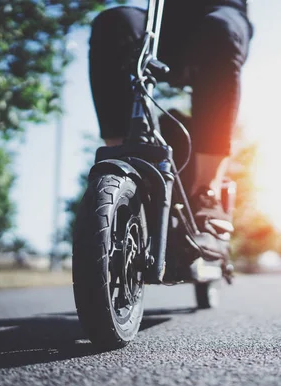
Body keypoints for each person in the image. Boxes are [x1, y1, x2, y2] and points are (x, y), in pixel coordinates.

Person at [88, 0, 253, 240]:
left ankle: (207, 192)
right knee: (112, 24)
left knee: (219, 31)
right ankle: (121, 165)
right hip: (164, 19)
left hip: (221, 15)